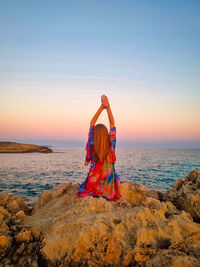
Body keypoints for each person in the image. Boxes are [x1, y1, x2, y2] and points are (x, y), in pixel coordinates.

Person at [76, 95, 122, 202]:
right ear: (106, 134)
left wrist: (102, 107)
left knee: (86, 184)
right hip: (107, 187)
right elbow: (112, 124)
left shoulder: (92, 145)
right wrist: (108, 107)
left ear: (94, 135)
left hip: (93, 185)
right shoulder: (111, 146)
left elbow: (92, 123)